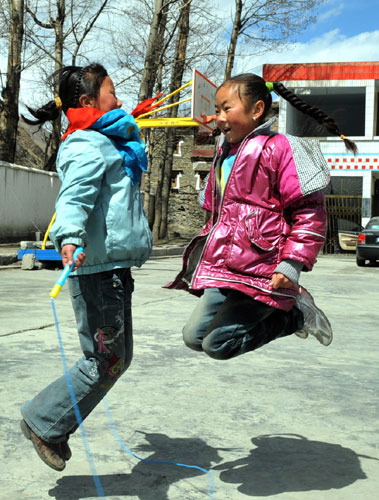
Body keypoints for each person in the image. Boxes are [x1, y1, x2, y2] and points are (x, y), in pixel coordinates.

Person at [168, 73, 357, 361]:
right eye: (217, 109)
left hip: (265, 271)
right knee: (193, 338)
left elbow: (310, 214)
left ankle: (295, 316)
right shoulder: (223, 150)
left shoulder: (281, 148)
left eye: (226, 108)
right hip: (226, 268)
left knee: (216, 345)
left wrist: (291, 264)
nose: (219, 117)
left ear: (257, 110)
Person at [20, 63, 152, 471]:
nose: (121, 101)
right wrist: (70, 238)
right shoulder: (85, 144)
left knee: (117, 358)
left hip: (111, 269)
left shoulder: (106, 141)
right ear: (88, 102)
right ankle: (44, 422)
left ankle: (48, 422)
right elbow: (73, 199)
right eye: (113, 93)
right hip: (94, 271)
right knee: (104, 360)